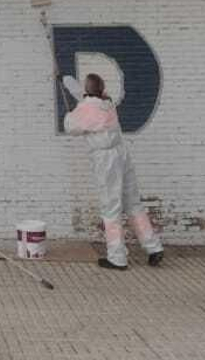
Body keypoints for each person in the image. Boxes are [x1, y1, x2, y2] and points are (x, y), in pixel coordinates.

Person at [60, 71, 164, 269]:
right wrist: (66, 81)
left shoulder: (85, 110)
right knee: (133, 203)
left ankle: (117, 257)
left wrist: (69, 113)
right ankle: (153, 247)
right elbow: (84, 96)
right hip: (121, 154)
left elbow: (70, 126)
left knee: (111, 208)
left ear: (88, 91)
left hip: (105, 159)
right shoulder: (107, 103)